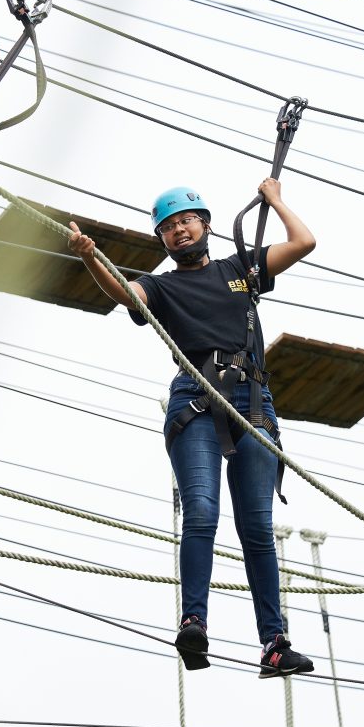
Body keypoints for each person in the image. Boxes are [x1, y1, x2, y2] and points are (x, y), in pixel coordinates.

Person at [68, 179, 317, 678]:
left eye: (186, 221)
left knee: (258, 531)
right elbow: (124, 292)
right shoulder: (162, 285)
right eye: (168, 228)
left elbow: (304, 242)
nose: (179, 231)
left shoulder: (240, 270)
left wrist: (274, 201)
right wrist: (91, 257)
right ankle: (194, 622)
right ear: (162, 241)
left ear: (205, 225)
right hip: (196, 401)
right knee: (201, 512)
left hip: (252, 400)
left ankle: (274, 643)